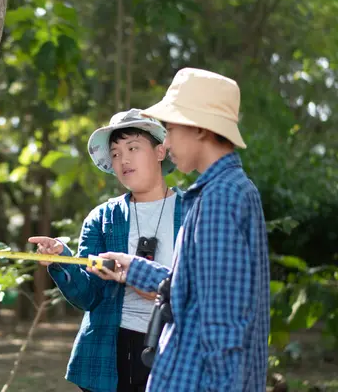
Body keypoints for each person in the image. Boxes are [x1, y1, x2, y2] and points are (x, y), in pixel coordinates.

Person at [91, 68, 270, 391]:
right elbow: (199, 290)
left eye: (171, 128)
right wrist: (135, 270)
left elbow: (223, 325)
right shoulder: (222, 192)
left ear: (200, 129)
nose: (167, 141)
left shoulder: (220, 198)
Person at [28, 108, 183, 392]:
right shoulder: (103, 218)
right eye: (114, 153)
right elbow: (88, 296)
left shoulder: (193, 212)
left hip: (174, 347)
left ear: (160, 152)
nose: (123, 159)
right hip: (109, 352)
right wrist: (61, 259)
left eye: (133, 147)